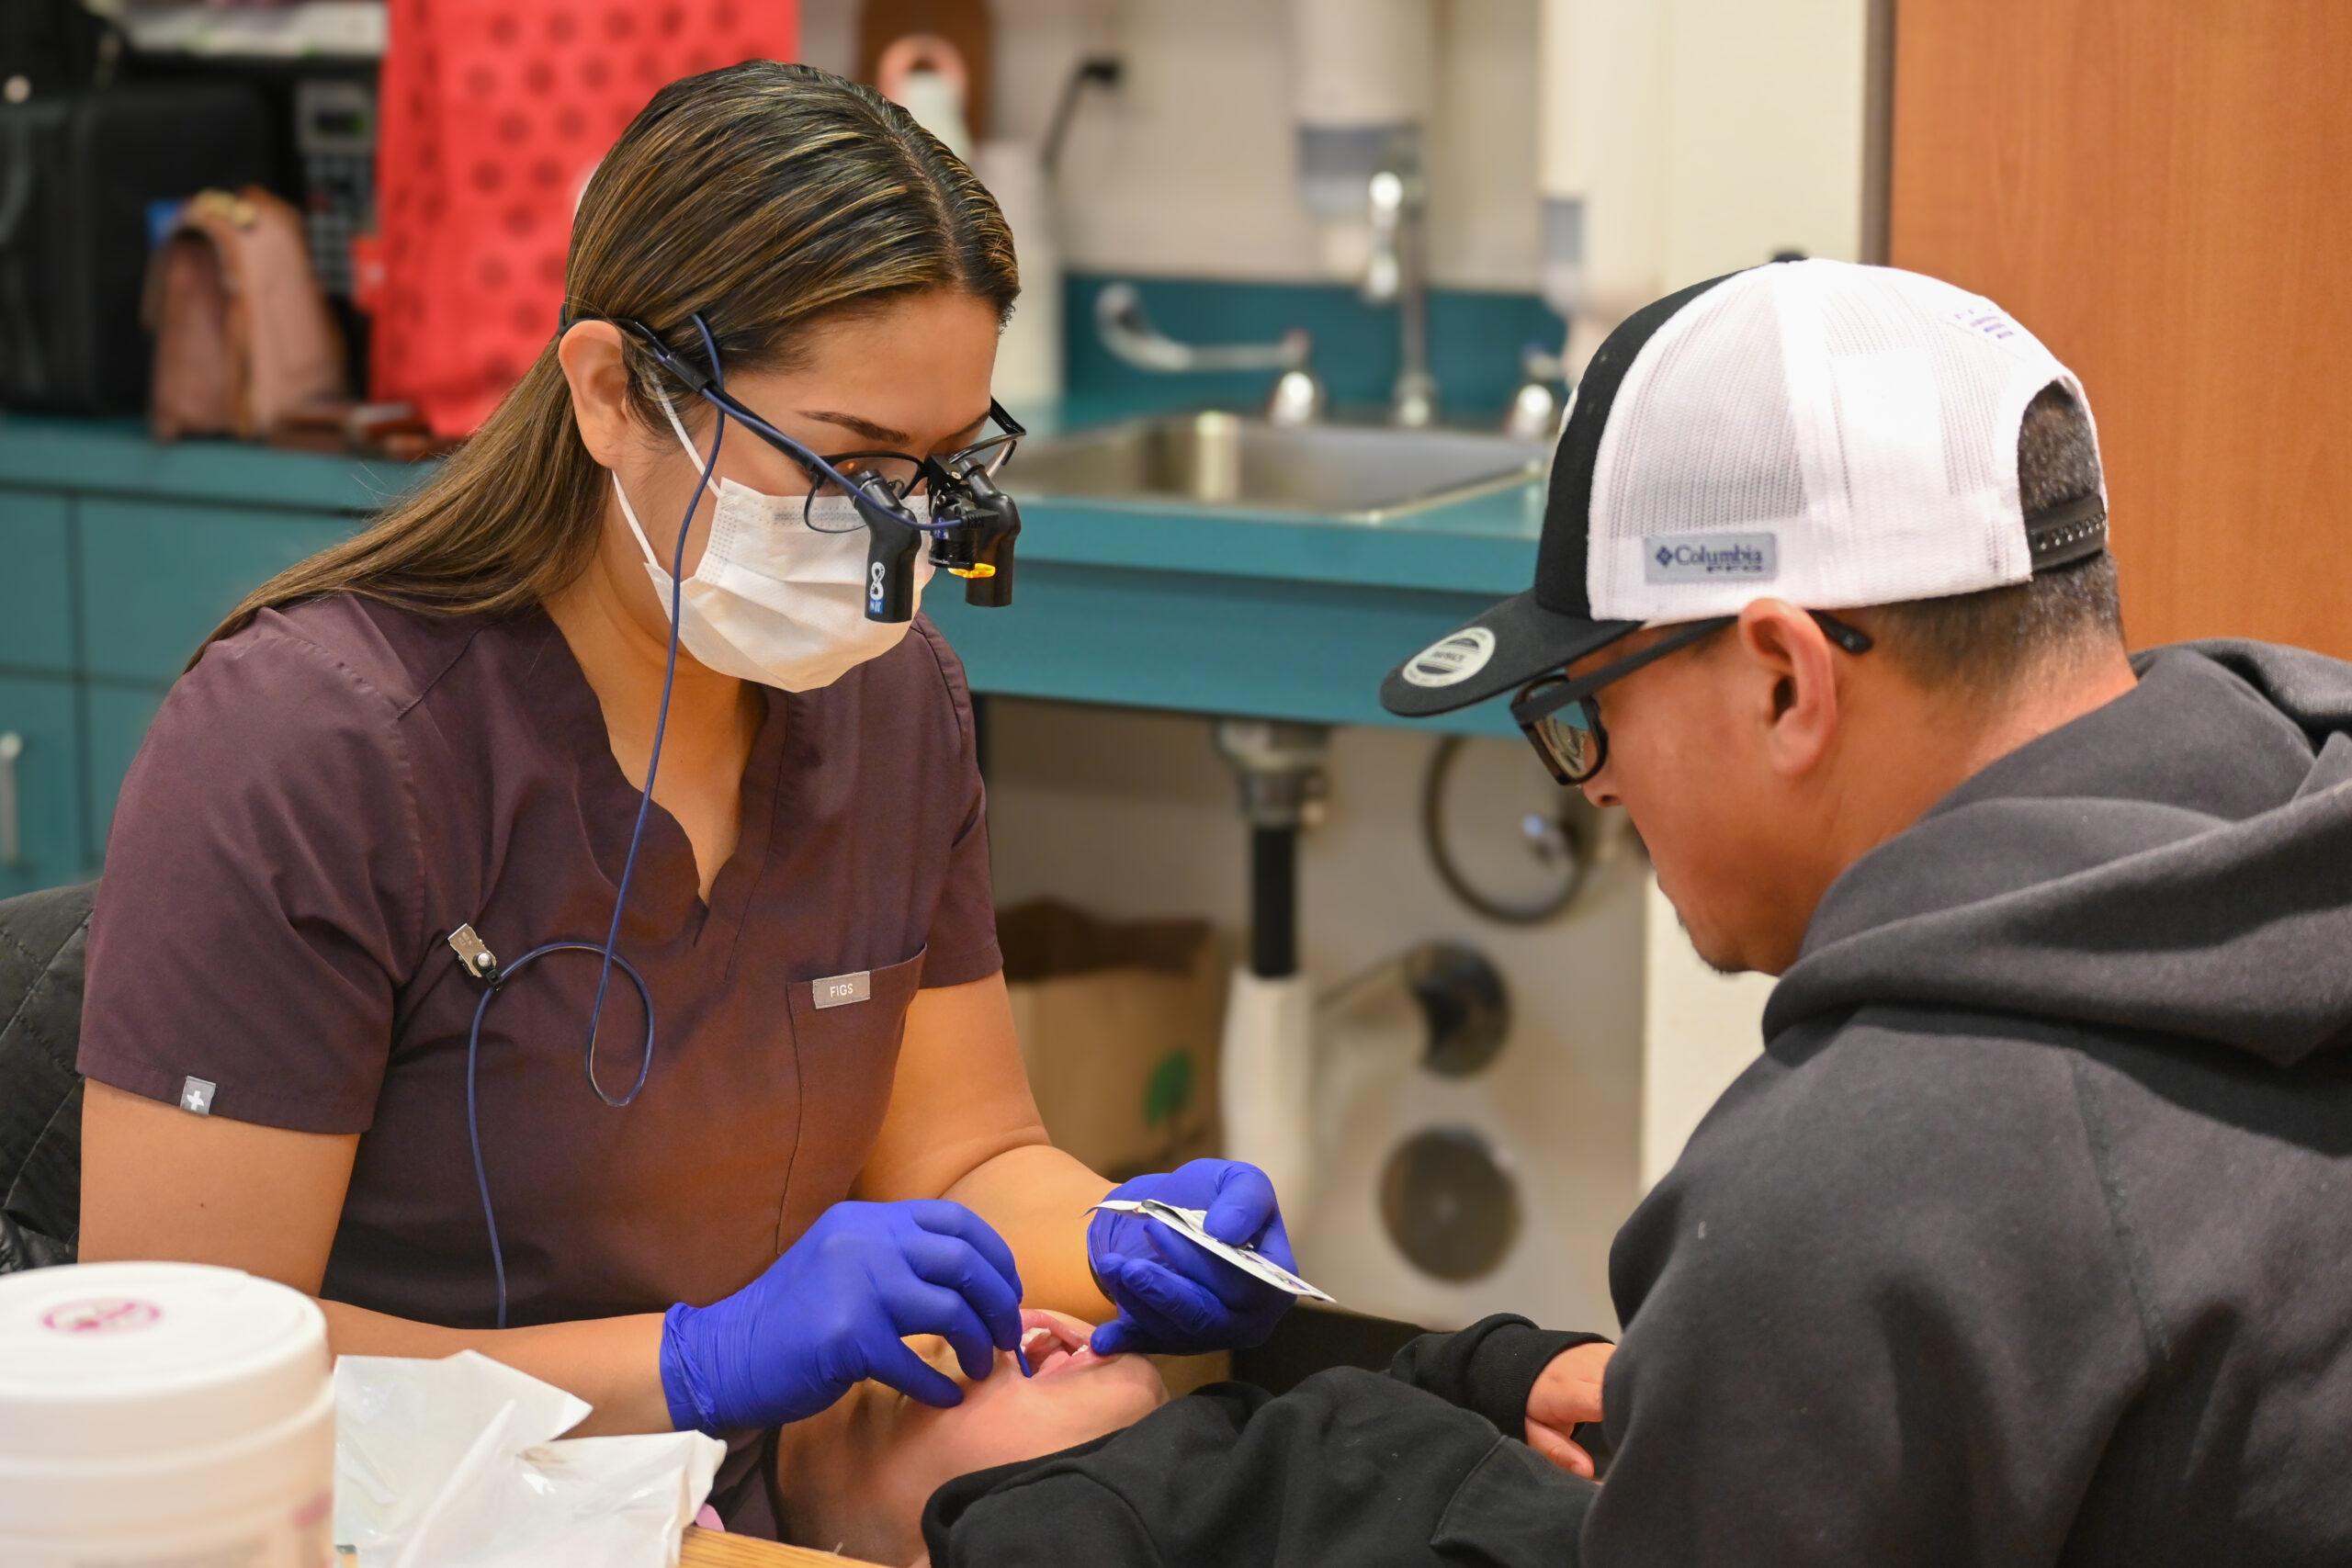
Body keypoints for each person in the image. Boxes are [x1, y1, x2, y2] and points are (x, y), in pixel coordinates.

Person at [72, 62, 1297, 1538]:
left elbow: (966, 1155)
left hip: (746, 1464)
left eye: (939, 468)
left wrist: (1120, 1235)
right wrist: (692, 1357)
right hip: (421, 1502)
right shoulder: (315, 744)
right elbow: (190, 1373)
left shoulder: (892, 703)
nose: (896, 545)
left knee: (1127, 1449)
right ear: (608, 393)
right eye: (845, 466)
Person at [1367, 258, 2352, 1562]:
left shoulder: (1852, 1200)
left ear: (1784, 679)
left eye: (1592, 707)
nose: (1597, 780)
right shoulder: (2296, 860)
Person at [771, 1307, 1610, 1567]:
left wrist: (1504, 1371)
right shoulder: (1053, 1522)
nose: (1001, 1326)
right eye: (924, 1375)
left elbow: (1389, 1408)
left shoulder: (1241, 1442)